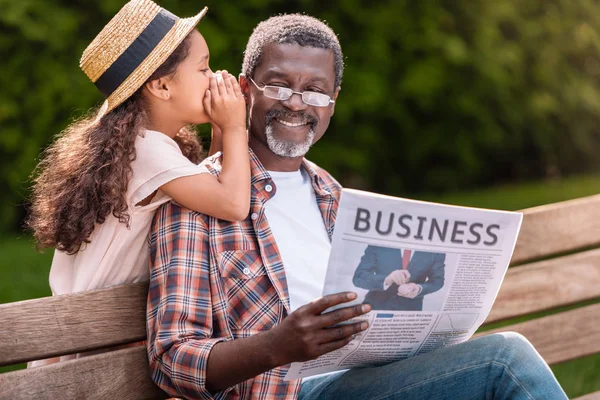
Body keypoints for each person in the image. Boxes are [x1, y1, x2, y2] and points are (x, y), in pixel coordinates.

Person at [146, 14, 568, 400]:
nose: (296, 102)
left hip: (372, 380)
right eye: (277, 85)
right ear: (243, 89)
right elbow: (170, 359)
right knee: (504, 362)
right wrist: (276, 347)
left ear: (334, 100)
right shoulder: (197, 198)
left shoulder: (333, 195)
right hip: (290, 393)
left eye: (315, 91)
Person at [26, 0, 249, 365]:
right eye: (204, 68)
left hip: (89, 339)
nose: (214, 77)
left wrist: (222, 130)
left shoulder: (140, 145)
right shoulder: (147, 150)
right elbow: (233, 203)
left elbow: (212, 184)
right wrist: (236, 126)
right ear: (161, 86)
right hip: (92, 354)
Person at [353, 245, 445, 311]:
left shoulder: (435, 249)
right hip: (375, 307)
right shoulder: (380, 244)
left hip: (410, 315)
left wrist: (419, 289)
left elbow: (437, 280)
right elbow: (359, 276)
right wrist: (387, 280)